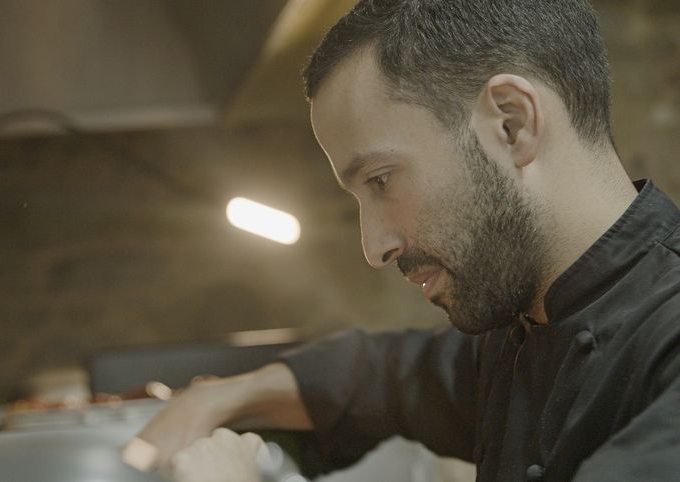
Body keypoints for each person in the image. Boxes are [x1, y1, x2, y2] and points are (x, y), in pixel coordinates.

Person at [127, 0, 680, 480]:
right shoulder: (524, 329)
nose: (374, 248)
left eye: (381, 180)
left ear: (513, 123)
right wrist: (227, 395)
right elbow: (392, 375)